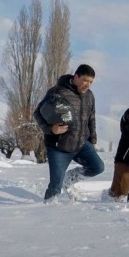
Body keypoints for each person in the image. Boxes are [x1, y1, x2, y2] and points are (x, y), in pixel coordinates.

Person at [34, 64, 104, 202]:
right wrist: (51, 129)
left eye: (90, 82)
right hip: (58, 146)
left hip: (81, 143)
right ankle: (48, 210)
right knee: (55, 186)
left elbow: (91, 117)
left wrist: (93, 138)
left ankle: (69, 179)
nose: (87, 85)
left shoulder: (89, 95)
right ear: (76, 76)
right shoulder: (57, 92)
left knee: (97, 167)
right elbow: (37, 113)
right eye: (85, 80)